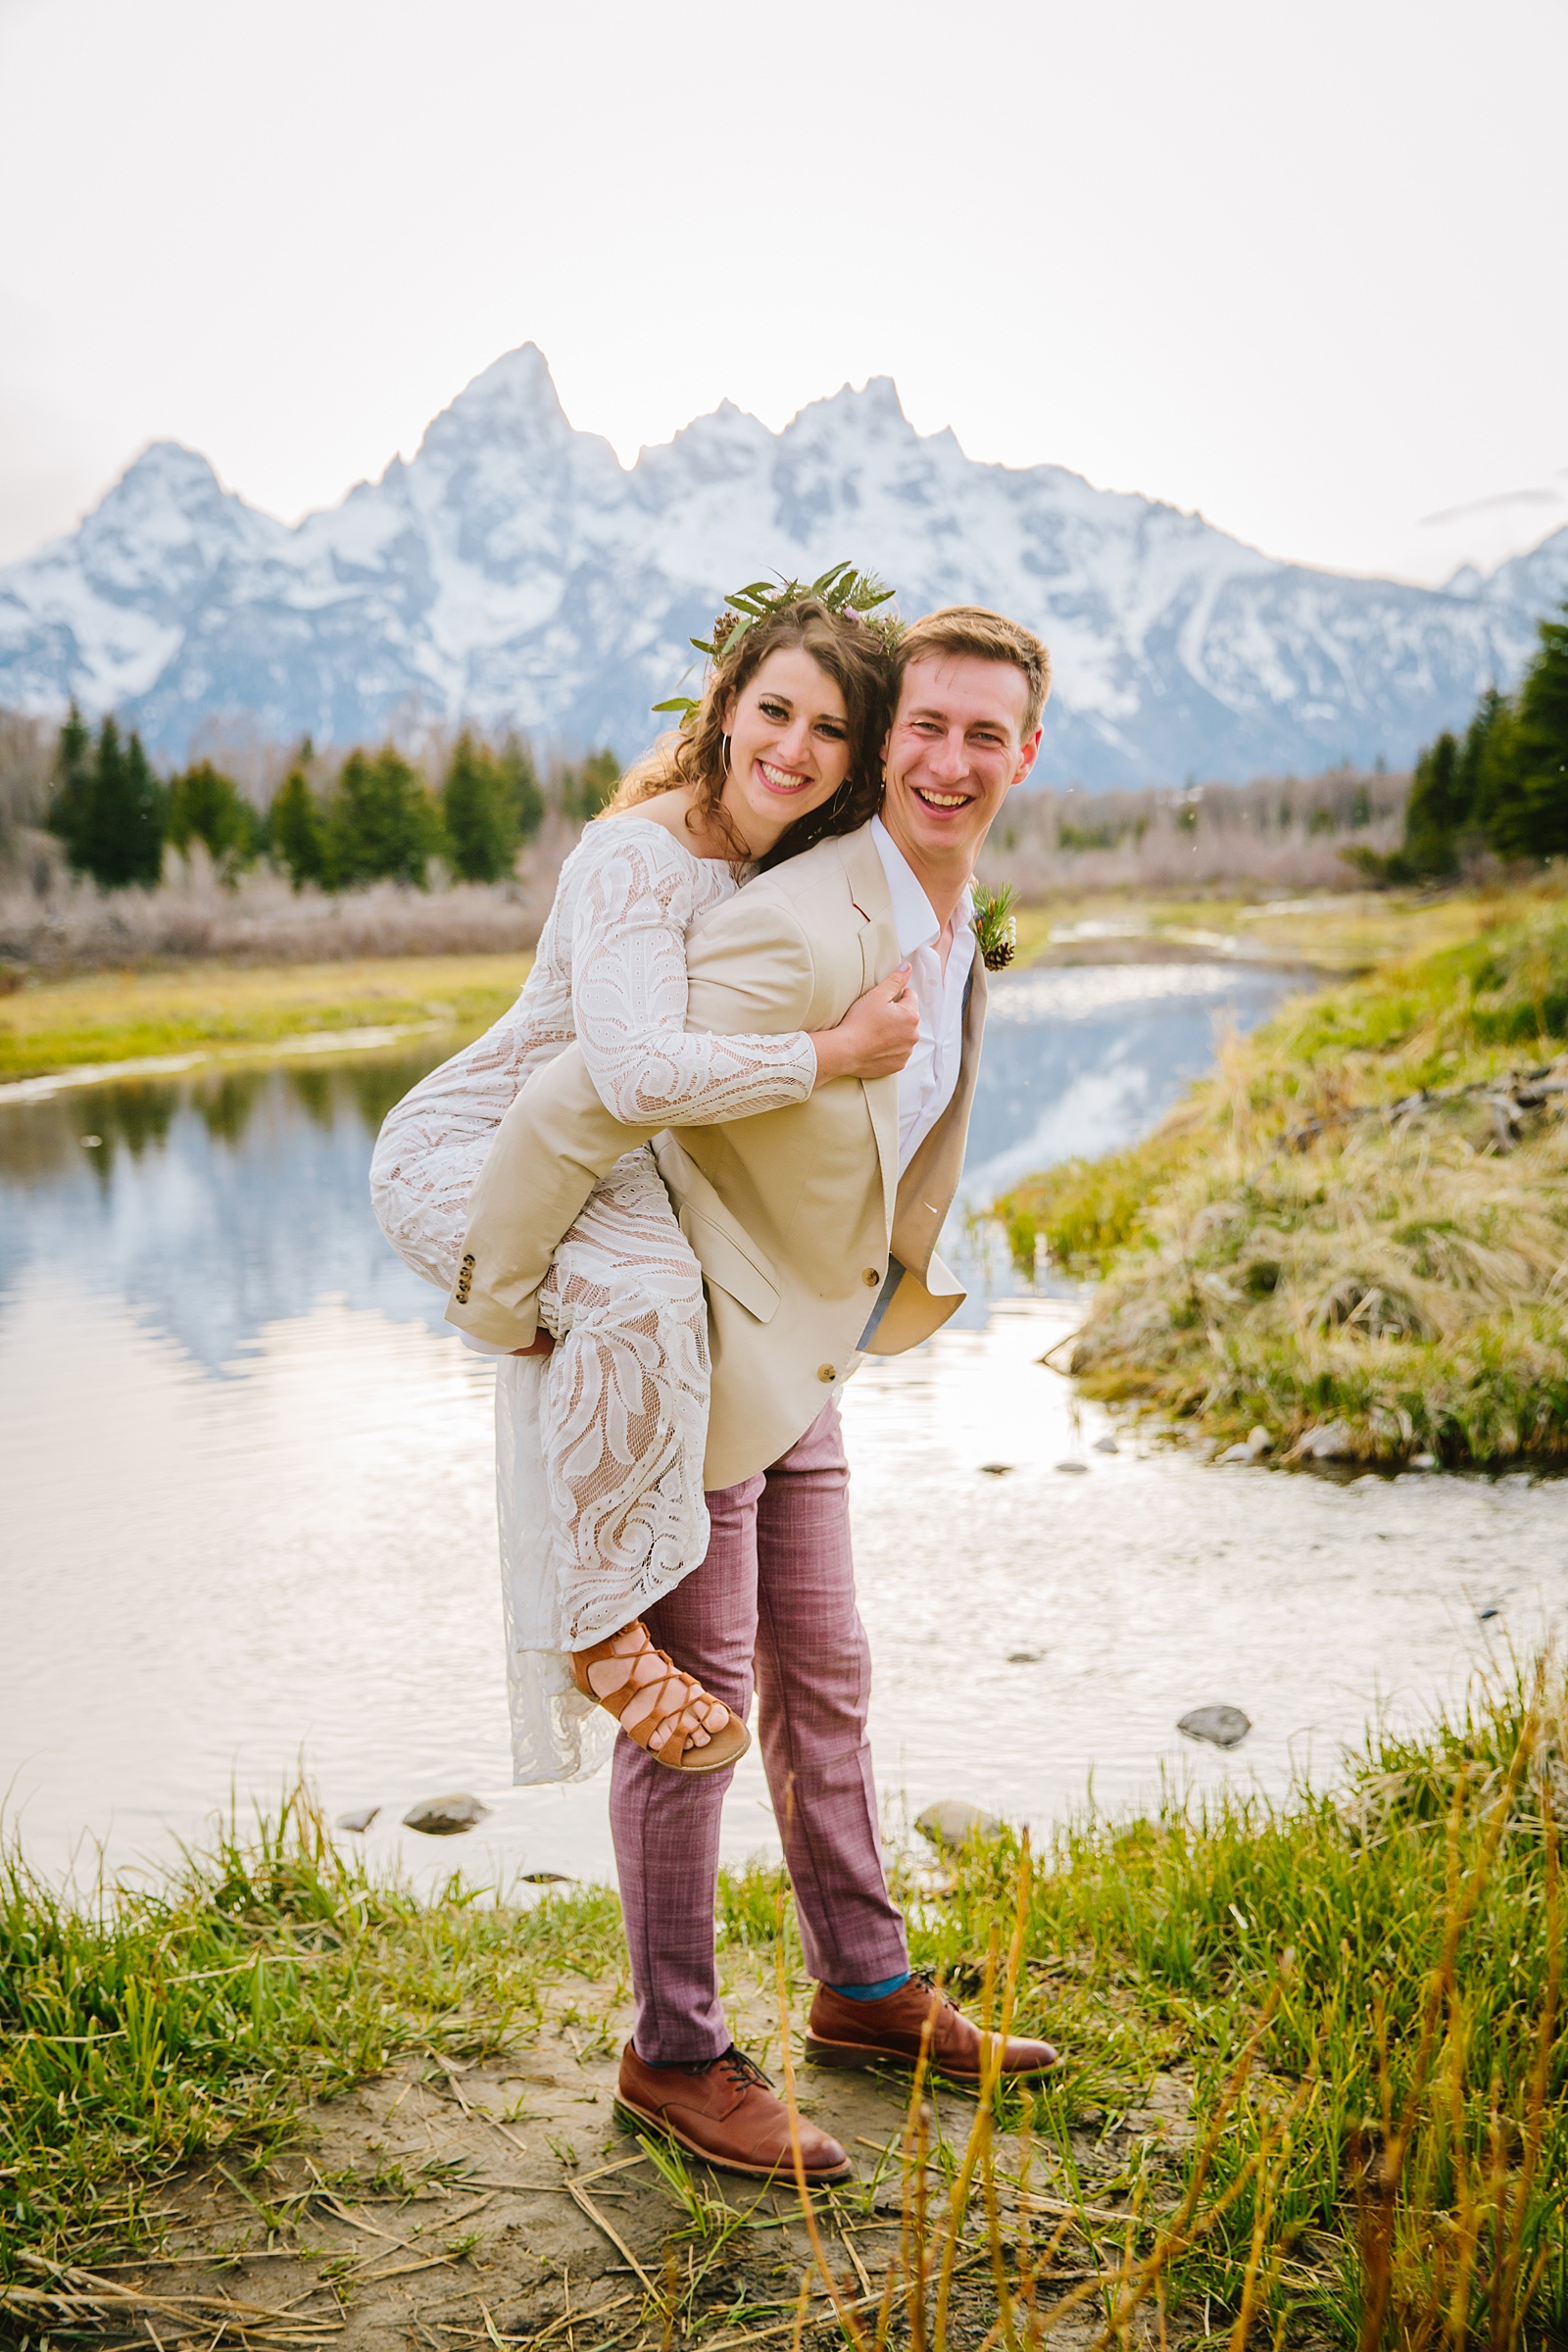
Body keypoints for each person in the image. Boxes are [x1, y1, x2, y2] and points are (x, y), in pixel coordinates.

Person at [441, 607, 1062, 2182]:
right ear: (880, 743)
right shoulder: (791, 926)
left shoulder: (950, 914)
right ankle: (677, 2055)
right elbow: (590, 1089)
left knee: (829, 1671)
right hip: (694, 1366)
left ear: (1025, 757)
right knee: (696, 1705)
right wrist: (504, 1297)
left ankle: (863, 1989)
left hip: (806, 1358)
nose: (949, 759)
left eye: (984, 735)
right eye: (924, 724)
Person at [374, 584, 919, 1783]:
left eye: (829, 730)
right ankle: (602, 1632)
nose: (794, 747)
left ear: (857, 757)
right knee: (644, 1302)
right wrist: (831, 1053)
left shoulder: (804, 866)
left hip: (615, 1175)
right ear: (725, 709)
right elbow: (628, 1073)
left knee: (666, 1288)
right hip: (475, 1148)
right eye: (774, 711)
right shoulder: (639, 854)